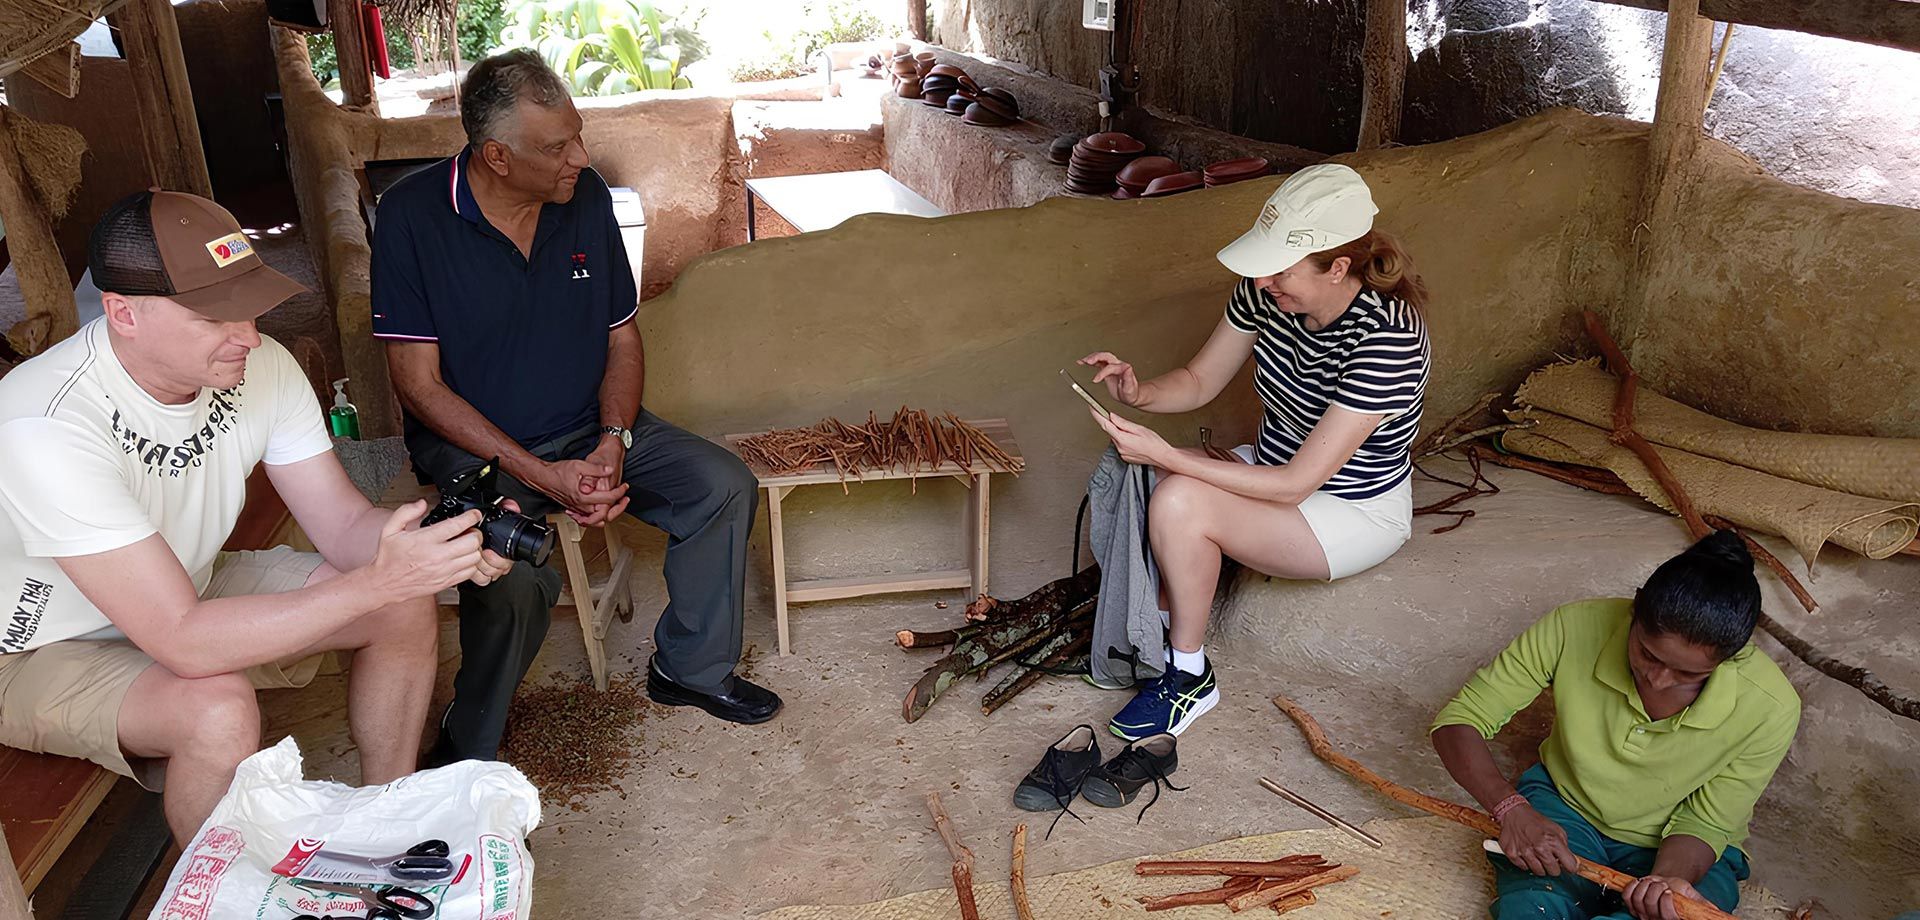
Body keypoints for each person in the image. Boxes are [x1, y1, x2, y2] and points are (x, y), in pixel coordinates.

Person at [0, 191, 500, 844]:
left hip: (183, 586)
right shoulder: (45, 423)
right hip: (37, 645)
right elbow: (183, 640)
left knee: (398, 603)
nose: (250, 337)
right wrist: (383, 577)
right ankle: (218, 897)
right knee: (218, 710)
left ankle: (386, 821)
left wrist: (444, 541)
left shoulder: (257, 367)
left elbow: (344, 526)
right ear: (124, 313)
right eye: (216, 316)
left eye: (250, 306)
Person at [373, 49, 779, 765]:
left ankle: (689, 669)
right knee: (510, 571)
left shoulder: (583, 198)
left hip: (591, 428)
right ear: (497, 156)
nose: (580, 158)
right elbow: (419, 386)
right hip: (479, 451)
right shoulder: (412, 216)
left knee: (720, 485)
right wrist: (537, 471)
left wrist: (614, 439)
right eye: (558, 146)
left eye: (578, 135)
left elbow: (621, 335)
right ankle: (470, 746)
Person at [1080, 164, 1430, 739]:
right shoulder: (1266, 293)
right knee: (1135, 475)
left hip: (1347, 508)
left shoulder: (1388, 339)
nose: (1266, 280)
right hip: (1273, 466)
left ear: (1338, 267)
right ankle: (1153, 636)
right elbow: (1198, 379)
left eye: (1281, 269)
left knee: (1178, 501)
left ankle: (1189, 676)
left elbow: (1298, 485)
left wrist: (1167, 455)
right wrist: (1138, 392)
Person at [1431, 530, 1801, 920]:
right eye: (1647, 653)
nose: (1658, 679)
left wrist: (1665, 883)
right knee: (1533, 907)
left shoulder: (1770, 707)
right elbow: (1460, 720)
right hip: (1565, 810)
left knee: (1679, 912)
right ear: (1635, 607)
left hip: (1685, 851)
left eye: (1688, 674)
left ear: (1732, 659)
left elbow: (1706, 820)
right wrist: (1510, 809)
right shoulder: (1573, 626)